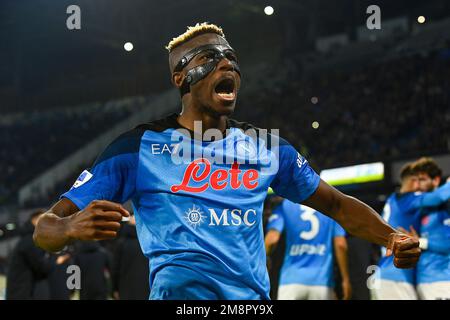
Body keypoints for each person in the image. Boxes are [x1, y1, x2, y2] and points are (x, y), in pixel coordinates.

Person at [34, 22, 420, 300]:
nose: (228, 64)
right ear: (181, 76)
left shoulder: (267, 147)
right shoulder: (138, 147)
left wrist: (390, 236)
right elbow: (44, 229)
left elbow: (335, 204)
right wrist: (69, 226)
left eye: (231, 57)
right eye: (210, 56)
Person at [372, 162, 450, 299]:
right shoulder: (409, 200)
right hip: (396, 276)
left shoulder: (393, 200)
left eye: (423, 179)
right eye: (418, 180)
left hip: (390, 274)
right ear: (413, 182)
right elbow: (438, 197)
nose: (420, 185)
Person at [265, 199, 351, 300]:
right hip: (322, 282)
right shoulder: (330, 206)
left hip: (290, 281)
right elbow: (341, 244)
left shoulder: (285, 205)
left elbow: (272, 239)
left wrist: (264, 260)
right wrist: (345, 279)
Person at [411, 158, 450, 300]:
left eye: (422, 180)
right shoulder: (416, 204)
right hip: (421, 282)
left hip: (441, 281)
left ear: (436, 180)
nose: (417, 185)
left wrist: (420, 242)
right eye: (416, 180)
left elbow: (448, 245)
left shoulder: (443, 210)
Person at [6, 210, 54, 299]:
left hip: (20, 291)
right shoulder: (30, 241)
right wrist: (55, 261)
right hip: (21, 293)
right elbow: (41, 267)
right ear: (35, 221)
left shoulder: (27, 239)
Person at [112, 215, 149, 300]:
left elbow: (115, 269)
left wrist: (115, 289)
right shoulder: (149, 243)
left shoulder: (121, 243)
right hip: (148, 290)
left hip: (126, 290)